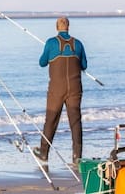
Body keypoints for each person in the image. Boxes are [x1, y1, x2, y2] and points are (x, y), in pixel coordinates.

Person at [33, 16, 87, 165]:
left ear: (57, 27)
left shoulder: (51, 43)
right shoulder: (78, 44)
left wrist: (49, 52)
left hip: (57, 88)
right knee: (75, 121)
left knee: (51, 120)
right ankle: (77, 156)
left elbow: (42, 63)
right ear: (68, 26)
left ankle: (43, 153)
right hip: (75, 88)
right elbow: (84, 65)